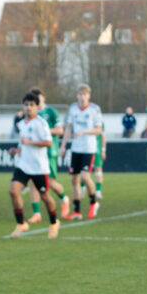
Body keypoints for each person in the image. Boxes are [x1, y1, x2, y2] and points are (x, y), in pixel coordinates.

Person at [7, 93, 59, 239]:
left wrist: (30, 143)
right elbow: (22, 144)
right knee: (13, 191)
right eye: (26, 105)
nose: (28, 108)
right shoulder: (22, 123)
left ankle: (54, 223)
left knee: (45, 197)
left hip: (39, 167)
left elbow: (48, 142)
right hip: (23, 165)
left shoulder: (41, 123)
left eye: (31, 105)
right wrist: (15, 151)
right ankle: (21, 223)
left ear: (37, 107)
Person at [27, 88, 70, 223]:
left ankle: (64, 199)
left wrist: (45, 131)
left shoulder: (51, 112)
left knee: (49, 182)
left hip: (50, 152)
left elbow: (60, 130)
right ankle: (37, 213)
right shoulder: (31, 114)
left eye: (38, 97)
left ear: (43, 98)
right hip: (35, 152)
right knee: (33, 182)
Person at [62, 83, 102, 220]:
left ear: (89, 96)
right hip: (75, 149)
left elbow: (99, 130)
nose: (82, 97)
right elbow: (68, 127)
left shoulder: (95, 109)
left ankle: (93, 202)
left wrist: (84, 131)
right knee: (74, 179)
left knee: (85, 177)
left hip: (88, 149)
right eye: (80, 94)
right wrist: (63, 146)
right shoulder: (73, 109)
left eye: (85, 95)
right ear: (77, 96)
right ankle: (77, 210)